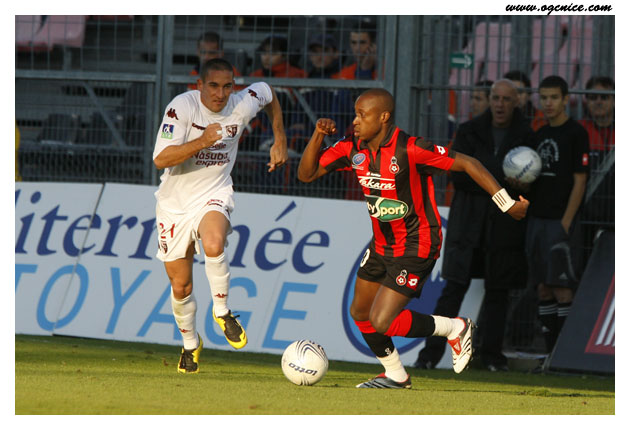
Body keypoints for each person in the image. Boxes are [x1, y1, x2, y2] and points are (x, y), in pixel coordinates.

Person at [297, 88, 529, 388]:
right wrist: (318, 135)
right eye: (355, 114)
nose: (355, 121)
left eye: (362, 115)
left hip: (418, 243)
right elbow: (306, 174)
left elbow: (469, 163)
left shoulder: (411, 149)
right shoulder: (351, 147)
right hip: (382, 245)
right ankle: (395, 374)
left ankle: (455, 328)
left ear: (383, 117)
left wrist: (506, 203)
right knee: (360, 312)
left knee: (382, 321)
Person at [153, 58, 288, 373]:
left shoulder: (242, 103)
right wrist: (202, 141)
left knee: (214, 243)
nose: (220, 93)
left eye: (227, 86)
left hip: (214, 192)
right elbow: (161, 159)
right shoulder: (181, 108)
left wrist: (279, 138)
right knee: (181, 287)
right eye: (213, 86)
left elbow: (269, 93)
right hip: (174, 204)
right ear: (199, 85)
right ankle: (190, 344)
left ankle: (223, 311)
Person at [414, 79, 535, 372]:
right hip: (467, 224)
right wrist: (501, 180)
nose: (500, 104)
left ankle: (492, 358)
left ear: (516, 102)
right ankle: (429, 356)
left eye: (506, 99)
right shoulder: (469, 131)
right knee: (452, 290)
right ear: (490, 100)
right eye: (496, 98)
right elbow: (457, 175)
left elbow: (529, 181)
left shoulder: (526, 135)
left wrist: (483, 173)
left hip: (503, 227)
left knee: (498, 293)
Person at [526, 75, 589, 355]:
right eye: (544, 98)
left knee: (562, 288)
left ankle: (564, 355)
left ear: (565, 99)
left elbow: (580, 180)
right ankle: (549, 355)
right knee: (543, 288)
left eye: (554, 97)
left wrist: (566, 221)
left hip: (560, 222)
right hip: (537, 220)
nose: (548, 103)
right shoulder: (539, 134)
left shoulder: (576, 133)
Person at [578, 76, 614, 261]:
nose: (598, 102)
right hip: (586, 215)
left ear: (614, 100)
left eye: (604, 97)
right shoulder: (579, 131)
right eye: (593, 97)